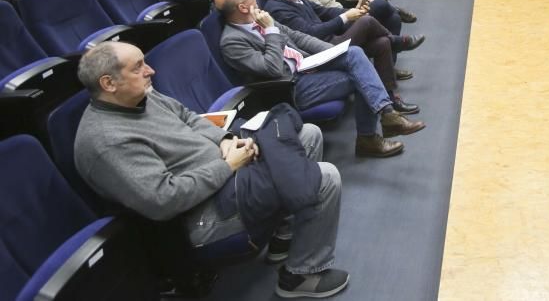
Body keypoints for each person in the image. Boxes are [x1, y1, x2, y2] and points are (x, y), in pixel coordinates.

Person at [72, 41, 351, 299]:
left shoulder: (140, 96)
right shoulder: (106, 142)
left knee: (308, 134)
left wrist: (226, 140)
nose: (151, 71)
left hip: (223, 173)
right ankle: (301, 275)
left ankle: (285, 234)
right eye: (138, 67)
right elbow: (164, 200)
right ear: (109, 83)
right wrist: (228, 165)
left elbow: (187, 117)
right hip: (203, 215)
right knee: (324, 178)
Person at [215, 0, 424, 158]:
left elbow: (298, 37)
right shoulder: (232, 41)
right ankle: (372, 133)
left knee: (354, 54)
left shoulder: (260, 18)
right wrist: (270, 31)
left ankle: (385, 117)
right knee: (362, 74)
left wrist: (335, 52)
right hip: (293, 86)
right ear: (243, 8)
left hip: (308, 66)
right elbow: (271, 67)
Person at [260, 0, 422, 112]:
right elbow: (310, 33)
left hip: (331, 38)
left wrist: (351, 13)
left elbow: (324, 11)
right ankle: (399, 42)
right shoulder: (277, 8)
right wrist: (346, 17)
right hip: (319, 51)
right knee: (366, 21)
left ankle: (391, 100)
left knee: (382, 43)